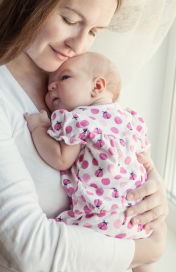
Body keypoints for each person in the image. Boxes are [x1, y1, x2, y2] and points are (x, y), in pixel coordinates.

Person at [0, 0, 168, 271]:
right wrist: (146, 250)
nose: (79, 44)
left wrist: (154, 194)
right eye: (70, 20)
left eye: (95, 31)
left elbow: (128, 170)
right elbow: (29, 247)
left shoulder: (81, 86)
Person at [24, 52, 154, 272]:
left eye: (64, 78)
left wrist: (38, 128)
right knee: (142, 262)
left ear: (97, 86)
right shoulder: (131, 118)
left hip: (99, 218)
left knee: (51, 245)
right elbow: (146, 157)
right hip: (138, 217)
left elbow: (61, 158)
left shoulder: (79, 119)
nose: (51, 87)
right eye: (49, 86)